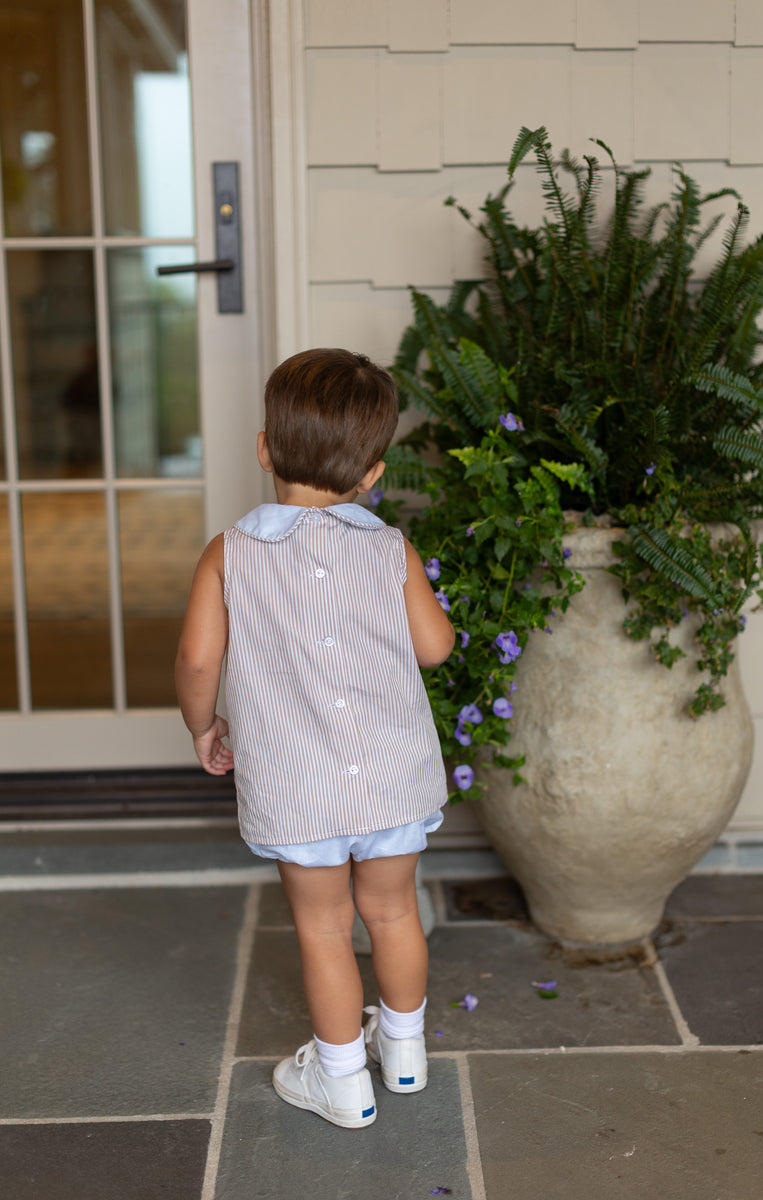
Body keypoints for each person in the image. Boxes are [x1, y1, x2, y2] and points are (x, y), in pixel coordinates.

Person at [175, 348, 454, 1129]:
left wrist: (204, 725)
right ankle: (403, 1056)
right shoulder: (388, 547)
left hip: (301, 786)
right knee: (394, 912)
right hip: (393, 776)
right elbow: (435, 647)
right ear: (373, 473)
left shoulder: (229, 555)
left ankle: (341, 1081)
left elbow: (198, 658)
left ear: (264, 448)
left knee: (323, 926)